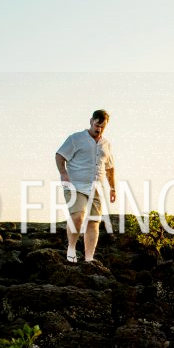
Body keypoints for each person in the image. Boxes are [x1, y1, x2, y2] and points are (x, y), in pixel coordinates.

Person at [55, 109, 116, 263]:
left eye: (103, 127)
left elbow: (110, 168)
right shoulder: (75, 138)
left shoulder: (106, 144)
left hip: (97, 188)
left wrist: (113, 188)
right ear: (91, 121)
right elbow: (59, 156)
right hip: (75, 185)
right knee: (78, 216)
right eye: (97, 125)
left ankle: (89, 258)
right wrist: (63, 173)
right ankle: (71, 248)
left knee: (94, 221)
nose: (99, 129)